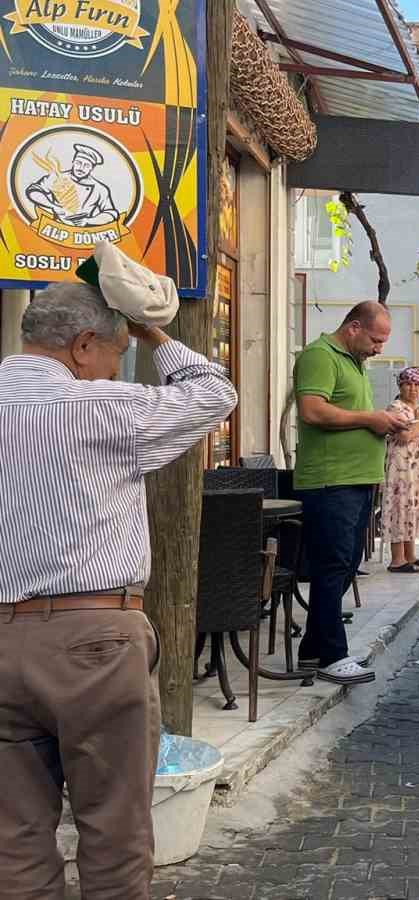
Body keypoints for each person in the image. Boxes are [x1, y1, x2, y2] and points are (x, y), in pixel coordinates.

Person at [0, 278, 236, 897]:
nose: (113, 368)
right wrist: (155, 328)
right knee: (114, 830)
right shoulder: (104, 409)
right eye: (114, 352)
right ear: (83, 345)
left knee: (13, 838)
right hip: (94, 640)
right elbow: (214, 392)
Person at [293, 301, 410, 686]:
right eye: (376, 340)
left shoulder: (355, 362)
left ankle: (312, 649)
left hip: (355, 481)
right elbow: (312, 411)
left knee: (344, 566)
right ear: (354, 327)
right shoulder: (319, 355)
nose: (380, 348)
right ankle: (332, 655)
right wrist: (371, 419)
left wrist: (384, 424)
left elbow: (346, 415)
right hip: (330, 481)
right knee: (331, 567)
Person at [383, 366, 419, 573]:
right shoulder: (396, 407)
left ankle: (410, 555)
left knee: (411, 509)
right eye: (409, 384)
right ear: (401, 385)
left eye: (417, 385)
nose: (413, 389)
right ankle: (397, 559)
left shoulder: (417, 409)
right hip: (403, 469)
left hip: (418, 471)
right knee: (400, 507)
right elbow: (404, 436)